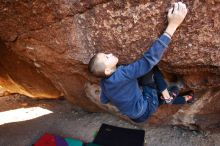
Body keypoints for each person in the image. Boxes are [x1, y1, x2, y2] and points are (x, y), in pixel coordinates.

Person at [88, 2, 189, 123]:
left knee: (148, 87)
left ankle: (170, 98)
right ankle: (167, 95)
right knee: (150, 68)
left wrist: (123, 95)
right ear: (107, 70)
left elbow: (104, 100)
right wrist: (172, 26)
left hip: (135, 117)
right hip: (146, 107)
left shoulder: (104, 84)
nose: (109, 53)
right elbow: (148, 60)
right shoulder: (123, 74)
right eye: (107, 57)